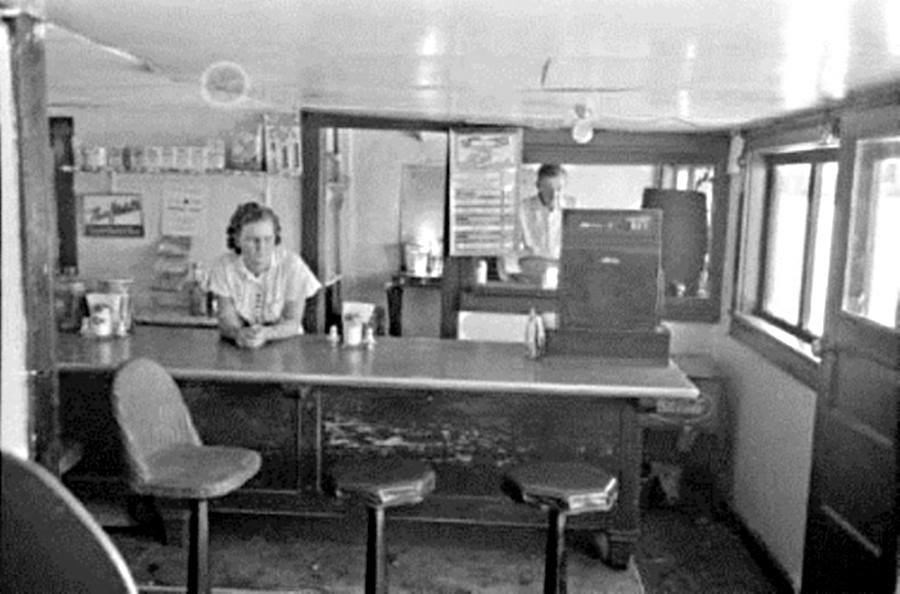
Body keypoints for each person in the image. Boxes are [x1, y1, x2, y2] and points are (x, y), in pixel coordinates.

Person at [209, 202, 321, 349]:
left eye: (267, 239)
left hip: (286, 345)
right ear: (237, 240)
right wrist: (239, 334)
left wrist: (266, 334)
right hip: (239, 346)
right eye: (252, 240)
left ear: (276, 238)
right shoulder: (224, 266)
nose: (261, 248)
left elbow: (292, 321)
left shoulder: (292, 266)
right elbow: (226, 320)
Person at [508, 163, 576, 280]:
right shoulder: (522, 209)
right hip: (531, 271)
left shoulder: (574, 207)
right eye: (549, 189)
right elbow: (510, 249)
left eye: (559, 189)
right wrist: (515, 274)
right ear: (538, 186)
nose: (554, 195)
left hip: (565, 272)